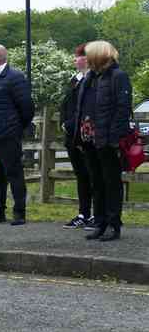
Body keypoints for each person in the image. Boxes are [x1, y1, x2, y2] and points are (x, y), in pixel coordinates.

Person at [74, 40, 132, 241]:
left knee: (111, 183)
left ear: (98, 56)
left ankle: (113, 224)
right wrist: (79, 136)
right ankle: (99, 222)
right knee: (96, 182)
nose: (86, 59)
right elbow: (81, 107)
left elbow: (122, 109)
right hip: (89, 139)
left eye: (89, 55)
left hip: (107, 139)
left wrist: (114, 139)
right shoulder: (91, 77)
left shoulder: (118, 77)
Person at [0, 44, 34, 226]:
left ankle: (19, 212)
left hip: (8, 135)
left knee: (14, 173)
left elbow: (27, 107)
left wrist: (16, 128)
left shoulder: (15, 78)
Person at [60, 44, 94, 230]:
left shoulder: (92, 80)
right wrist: (64, 122)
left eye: (79, 56)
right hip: (71, 137)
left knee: (93, 175)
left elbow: (86, 108)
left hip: (85, 137)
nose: (75, 59)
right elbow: (66, 104)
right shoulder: (75, 80)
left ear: (88, 59)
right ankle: (83, 213)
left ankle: (96, 214)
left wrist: (73, 123)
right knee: (81, 175)